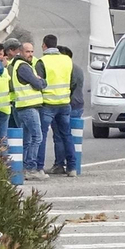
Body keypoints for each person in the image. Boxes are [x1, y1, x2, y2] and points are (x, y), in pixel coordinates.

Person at [6, 37, 47, 178]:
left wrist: (40, 81)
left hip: (22, 106)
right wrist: (41, 81)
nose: (30, 54)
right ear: (20, 52)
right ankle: (30, 168)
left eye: (32, 51)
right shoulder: (23, 66)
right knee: (37, 138)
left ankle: (22, 168)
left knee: (27, 140)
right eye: (27, 52)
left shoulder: (18, 65)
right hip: (28, 107)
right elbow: (39, 84)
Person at [36, 35, 74, 177]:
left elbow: (39, 82)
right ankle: (72, 167)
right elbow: (72, 80)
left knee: (41, 136)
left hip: (48, 103)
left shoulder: (42, 62)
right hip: (64, 102)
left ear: (44, 45)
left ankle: (39, 167)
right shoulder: (67, 60)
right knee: (66, 135)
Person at [57, 44, 85, 174]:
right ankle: (73, 165)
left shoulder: (68, 69)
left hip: (68, 104)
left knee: (61, 136)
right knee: (71, 136)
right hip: (78, 104)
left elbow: (71, 85)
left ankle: (60, 164)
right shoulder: (78, 68)